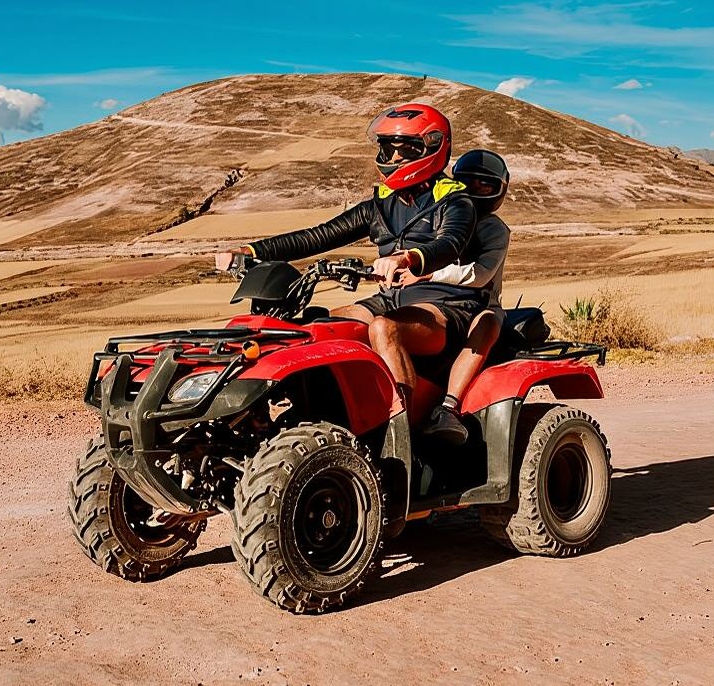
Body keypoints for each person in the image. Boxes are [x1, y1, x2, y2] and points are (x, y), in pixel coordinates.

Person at [216, 103, 481, 413]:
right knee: (320, 328)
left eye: (405, 149)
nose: (394, 158)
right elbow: (318, 236)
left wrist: (406, 258)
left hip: (445, 305)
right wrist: (252, 251)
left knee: (384, 329)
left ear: (432, 148)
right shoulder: (380, 204)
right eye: (388, 149)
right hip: (392, 299)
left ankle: (399, 427)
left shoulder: (455, 201)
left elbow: (450, 243)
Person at [403, 149, 511, 445]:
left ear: (498, 190)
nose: (474, 189)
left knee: (486, 324)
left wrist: (428, 274)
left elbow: (481, 275)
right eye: (466, 182)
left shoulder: (495, 229)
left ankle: (448, 407)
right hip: (438, 301)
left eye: (484, 185)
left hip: (481, 303)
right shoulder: (442, 217)